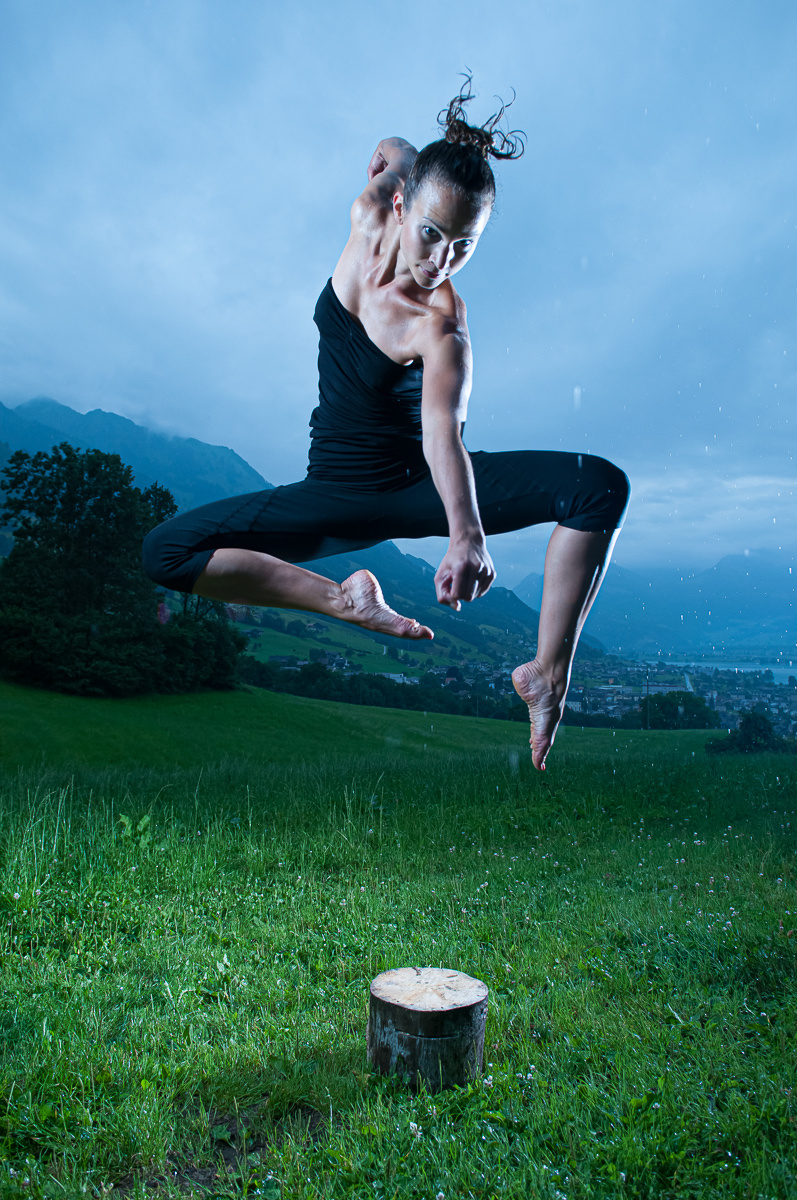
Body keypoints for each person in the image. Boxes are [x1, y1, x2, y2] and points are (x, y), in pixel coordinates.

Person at [143, 80, 629, 769]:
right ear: (398, 205)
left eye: (464, 245)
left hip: (415, 485)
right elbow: (396, 147)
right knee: (164, 552)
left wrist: (465, 536)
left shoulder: (442, 327)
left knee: (598, 487)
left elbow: (441, 433)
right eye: (431, 233)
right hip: (332, 491)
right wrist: (393, 153)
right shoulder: (369, 212)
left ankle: (547, 675)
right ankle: (345, 601)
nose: (440, 260)